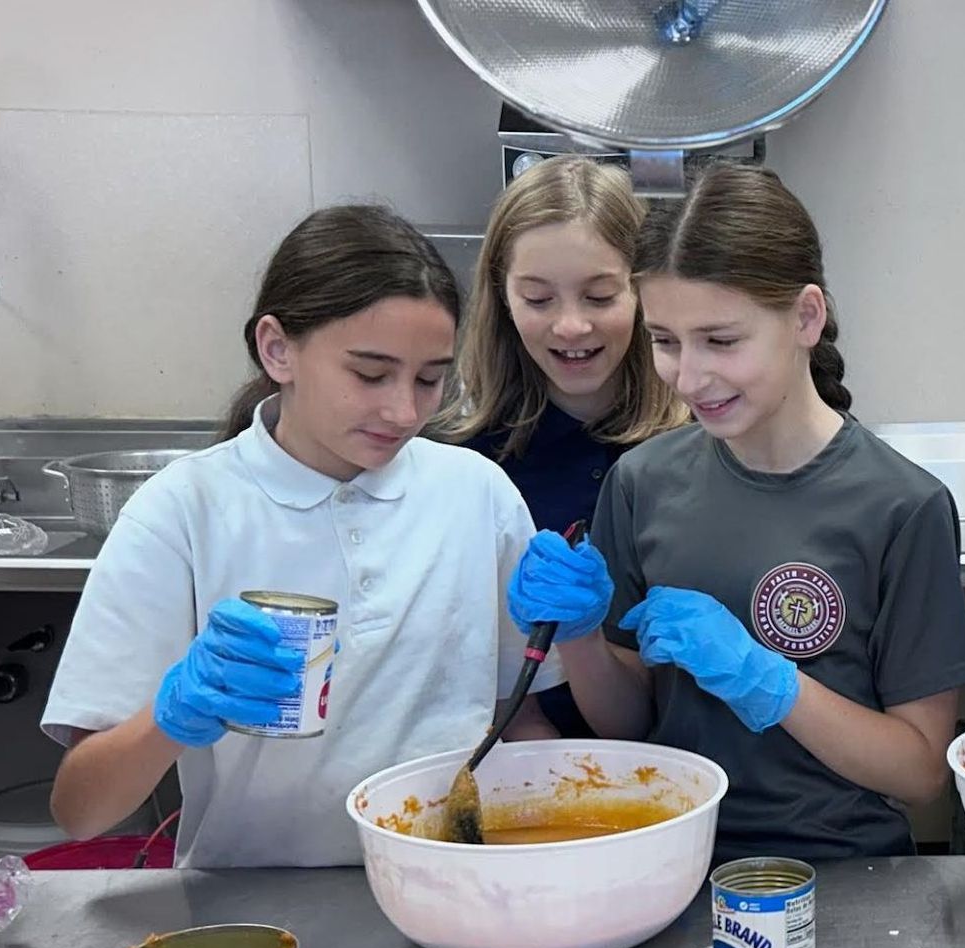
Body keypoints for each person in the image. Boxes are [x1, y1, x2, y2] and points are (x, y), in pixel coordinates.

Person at [42, 206, 569, 867]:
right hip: (252, 909)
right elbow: (80, 811)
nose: (403, 410)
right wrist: (171, 716)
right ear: (277, 348)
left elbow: (517, 722)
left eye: (430, 378)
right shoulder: (183, 512)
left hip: (446, 885)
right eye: (369, 374)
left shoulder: (477, 494)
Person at [507, 165, 965, 860]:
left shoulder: (901, 506)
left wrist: (768, 681)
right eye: (664, 341)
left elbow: (917, 773)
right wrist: (579, 638)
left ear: (805, 318)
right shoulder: (642, 483)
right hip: (669, 853)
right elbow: (629, 727)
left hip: (841, 868)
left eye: (721, 341)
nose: (689, 378)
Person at [433, 156, 688, 737]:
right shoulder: (464, 463)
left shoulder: (701, 448)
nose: (571, 327)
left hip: (688, 769)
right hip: (515, 772)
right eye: (539, 299)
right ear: (501, 299)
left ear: (644, 291)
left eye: (599, 297)